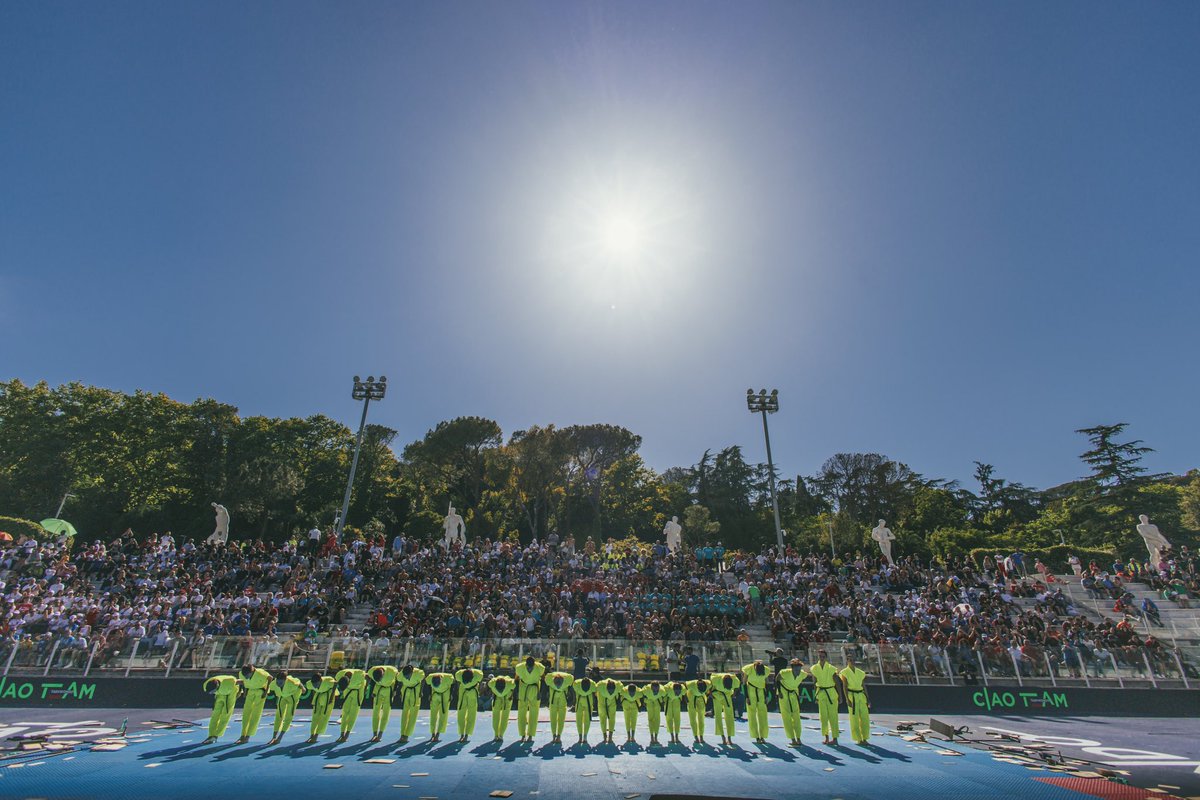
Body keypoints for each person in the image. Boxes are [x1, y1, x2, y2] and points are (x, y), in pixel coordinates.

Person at [809, 649, 842, 746]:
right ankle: (826, 737)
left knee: (833, 716)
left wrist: (840, 696)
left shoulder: (831, 668)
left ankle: (835, 738)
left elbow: (837, 683)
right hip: (821, 693)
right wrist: (815, 695)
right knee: (823, 717)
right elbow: (814, 683)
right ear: (818, 657)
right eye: (820, 656)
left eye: (823, 656)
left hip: (831, 692)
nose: (822, 658)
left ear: (826, 657)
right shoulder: (814, 668)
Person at [776, 658, 810, 746]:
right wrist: (779, 692)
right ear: (792, 668)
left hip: (794, 694)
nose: (798, 671)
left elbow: (812, 676)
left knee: (796, 716)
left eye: (799, 669)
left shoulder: (802, 674)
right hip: (784, 693)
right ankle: (792, 739)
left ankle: (798, 738)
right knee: (786, 716)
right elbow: (776, 680)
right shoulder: (785, 672)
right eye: (796, 669)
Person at [839, 654, 871, 745]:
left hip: (861, 695)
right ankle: (858, 738)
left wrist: (868, 698)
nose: (852, 661)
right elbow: (844, 686)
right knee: (854, 718)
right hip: (851, 695)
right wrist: (847, 699)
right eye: (850, 660)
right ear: (847, 661)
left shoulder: (860, 672)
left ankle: (865, 738)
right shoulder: (844, 672)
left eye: (853, 660)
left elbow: (863, 686)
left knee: (865, 718)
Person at [236, 663, 272, 744]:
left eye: (247, 675)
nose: (246, 677)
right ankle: (242, 735)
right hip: (250, 692)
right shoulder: (241, 674)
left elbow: (270, 678)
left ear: (252, 671)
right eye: (244, 675)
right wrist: (243, 691)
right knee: (246, 713)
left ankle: (248, 736)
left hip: (260, 692)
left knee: (255, 714)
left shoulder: (261, 673)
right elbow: (243, 682)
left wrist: (266, 692)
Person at [201, 673, 241, 744]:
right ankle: (211, 735)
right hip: (219, 694)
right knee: (215, 715)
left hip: (230, 693)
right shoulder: (205, 685)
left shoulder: (229, 681)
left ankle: (216, 735)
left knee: (225, 715)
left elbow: (241, 682)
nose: (212, 693)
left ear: (217, 686)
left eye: (213, 691)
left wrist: (240, 692)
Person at [514, 655, 545, 743]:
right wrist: (515, 692)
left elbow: (543, 679)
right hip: (523, 689)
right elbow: (516, 679)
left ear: (534, 664)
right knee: (521, 712)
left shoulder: (539, 667)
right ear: (526, 664)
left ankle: (531, 735)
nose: (529, 667)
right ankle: (522, 735)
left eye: (531, 666)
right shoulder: (520, 667)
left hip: (535, 690)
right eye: (528, 666)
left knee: (534, 713)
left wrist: (541, 692)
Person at [268, 669, 304, 745]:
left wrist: (303, 688)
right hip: (282, 696)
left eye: (281, 682)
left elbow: (299, 683)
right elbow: (270, 687)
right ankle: (273, 737)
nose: (278, 684)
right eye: (277, 682)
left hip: (292, 697)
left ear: (285, 680)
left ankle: (280, 737)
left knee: (289, 716)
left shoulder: (292, 682)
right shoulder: (274, 683)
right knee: (279, 716)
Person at [333, 665, 367, 743]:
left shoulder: (360, 674)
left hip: (358, 691)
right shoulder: (339, 675)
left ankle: (347, 734)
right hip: (348, 691)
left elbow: (367, 677)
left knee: (353, 713)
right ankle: (342, 734)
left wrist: (364, 689)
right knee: (345, 713)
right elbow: (335, 683)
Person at [366, 664, 400, 742]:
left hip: (388, 690)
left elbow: (397, 679)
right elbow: (371, 680)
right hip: (378, 690)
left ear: (383, 674)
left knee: (386, 712)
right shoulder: (371, 671)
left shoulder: (392, 671)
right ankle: (374, 734)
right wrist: (372, 691)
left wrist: (394, 690)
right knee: (375, 712)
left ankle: (380, 734)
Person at [741, 661, 770, 743]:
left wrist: (767, 696)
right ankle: (756, 736)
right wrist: (747, 697)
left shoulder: (765, 670)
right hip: (751, 692)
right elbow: (744, 683)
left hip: (761, 692)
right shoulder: (749, 669)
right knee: (752, 714)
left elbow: (767, 683)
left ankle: (763, 736)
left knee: (763, 714)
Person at [396, 664, 426, 744]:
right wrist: (400, 692)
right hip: (406, 692)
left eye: (408, 676)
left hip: (415, 692)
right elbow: (400, 682)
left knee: (413, 714)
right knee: (404, 713)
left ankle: (407, 735)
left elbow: (423, 680)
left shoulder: (419, 673)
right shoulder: (401, 675)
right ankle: (402, 734)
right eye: (405, 676)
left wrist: (421, 691)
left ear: (412, 672)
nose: (406, 677)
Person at [454, 667, 482, 742]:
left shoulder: (478, 674)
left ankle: (466, 734)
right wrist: (457, 690)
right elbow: (457, 682)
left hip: (472, 693)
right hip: (463, 692)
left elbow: (481, 682)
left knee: (471, 714)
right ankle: (462, 734)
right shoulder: (459, 674)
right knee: (461, 714)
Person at [710, 672, 738, 746]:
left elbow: (736, 688)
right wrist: (710, 694)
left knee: (730, 716)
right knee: (718, 715)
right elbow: (710, 686)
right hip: (717, 696)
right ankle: (722, 737)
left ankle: (729, 737)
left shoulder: (735, 680)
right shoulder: (716, 679)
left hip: (728, 696)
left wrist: (734, 695)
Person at [545, 670, 573, 744]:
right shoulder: (549, 679)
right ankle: (554, 735)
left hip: (562, 700)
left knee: (561, 718)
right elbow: (547, 675)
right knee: (553, 717)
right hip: (553, 701)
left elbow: (572, 677)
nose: (558, 686)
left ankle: (559, 736)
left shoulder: (568, 680)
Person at [425, 670, 453, 743]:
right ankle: (432, 733)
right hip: (435, 695)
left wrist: (451, 694)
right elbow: (428, 685)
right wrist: (429, 694)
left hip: (445, 695)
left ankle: (438, 733)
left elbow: (453, 684)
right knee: (433, 714)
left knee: (443, 715)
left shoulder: (448, 678)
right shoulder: (430, 677)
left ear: (441, 680)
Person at [488, 674, 515, 741]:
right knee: (501, 717)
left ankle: (499, 735)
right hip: (502, 698)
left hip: (505, 698)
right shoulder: (493, 682)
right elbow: (514, 686)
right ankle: (498, 735)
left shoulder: (492, 683)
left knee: (499, 717)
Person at [596, 678, 622, 745]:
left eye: (612, 691)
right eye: (609, 691)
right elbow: (595, 691)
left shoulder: (618, 685)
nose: (611, 693)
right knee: (602, 719)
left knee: (612, 718)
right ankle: (604, 736)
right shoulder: (600, 685)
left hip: (612, 702)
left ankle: (610, 736)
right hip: (602, 702)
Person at [685, 677, 710, 745]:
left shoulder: (708, 683)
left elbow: (712, 688)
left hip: (701, 698)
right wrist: (685, 697)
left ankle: (701, 736)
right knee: (693, 718)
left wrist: (709, 694)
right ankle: (696, 736)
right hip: (692, 697)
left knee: (701, 718)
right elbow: (684, 687)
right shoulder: (691, 684)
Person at [573, 676, 596, 745]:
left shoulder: (592, 684)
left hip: (588, 702)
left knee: (587, 720)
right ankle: (580, 736)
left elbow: (595, 691)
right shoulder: (576, 684)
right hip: (579, 702)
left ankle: (585, 736)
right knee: (578, 719)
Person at [642, 680, 666, 746]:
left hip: (657, 702)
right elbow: (642, 694)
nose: (656, 691)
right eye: (654, 690)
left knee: (657, 719)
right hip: (649, 702)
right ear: (651, 688)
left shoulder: (662, 691)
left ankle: (656, 736)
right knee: (650, 719)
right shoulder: (646, 689)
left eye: (657, 690)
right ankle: (652, 736)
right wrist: (644, 701)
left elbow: (665, 696)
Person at [664, 680, 686, 745]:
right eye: (676, 692)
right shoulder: (667, 688)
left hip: (676, 702)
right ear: (673, 690)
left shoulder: (683, 689)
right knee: (669, 719)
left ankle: (676, 736)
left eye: (679, 692)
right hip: (669, 701)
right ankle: (672, 736)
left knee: (677, 719)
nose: (677, 693)